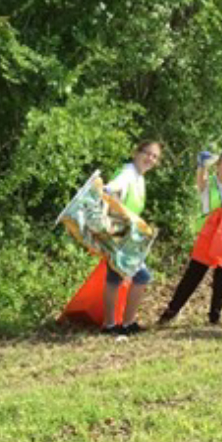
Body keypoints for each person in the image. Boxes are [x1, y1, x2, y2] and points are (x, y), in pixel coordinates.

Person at [158, 146, 222, 327]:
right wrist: (202, 165)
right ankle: (172, 311)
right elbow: (200, 179)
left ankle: (215, 316)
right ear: (217, 167)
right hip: (208, 235)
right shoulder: (209, 183)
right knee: (193, 274)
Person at [101, 141, 162, 336]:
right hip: (119, 235)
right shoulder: (127, 173)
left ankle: (120, 324)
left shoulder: (138, 176)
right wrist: (121, 214)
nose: (150, 159)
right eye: (147, 153)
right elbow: (109, 191)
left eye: (155, 157)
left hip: (128, 237)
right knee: (138, 277)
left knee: (116, 277)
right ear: (136, 153)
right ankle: (117, 324)